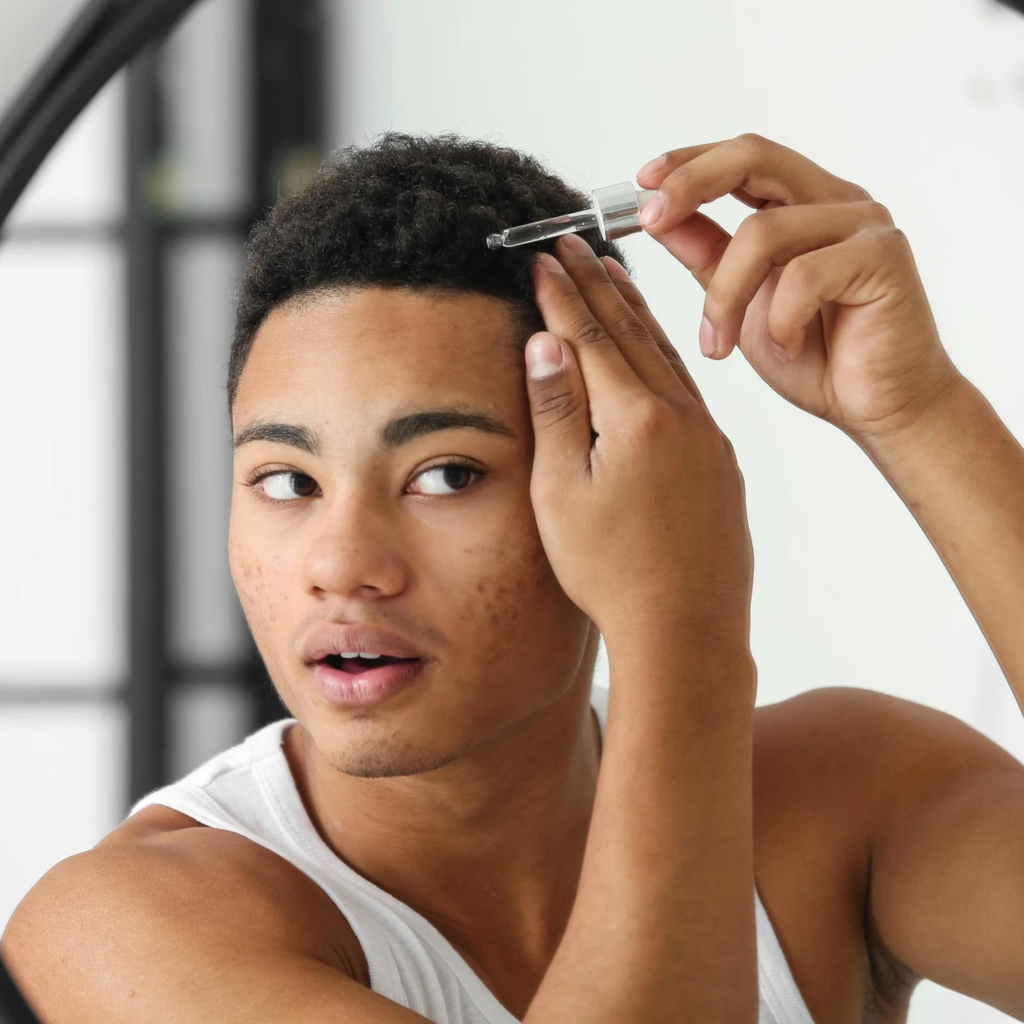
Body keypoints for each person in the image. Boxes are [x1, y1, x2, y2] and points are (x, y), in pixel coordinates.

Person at [3, 130, 1024, 1023]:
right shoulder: (128, 929)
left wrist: (917, 411)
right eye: (285, 480)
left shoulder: (840, 799)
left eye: (443, 474)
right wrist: (684, 621)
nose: (341, 566)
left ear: (615, 464)